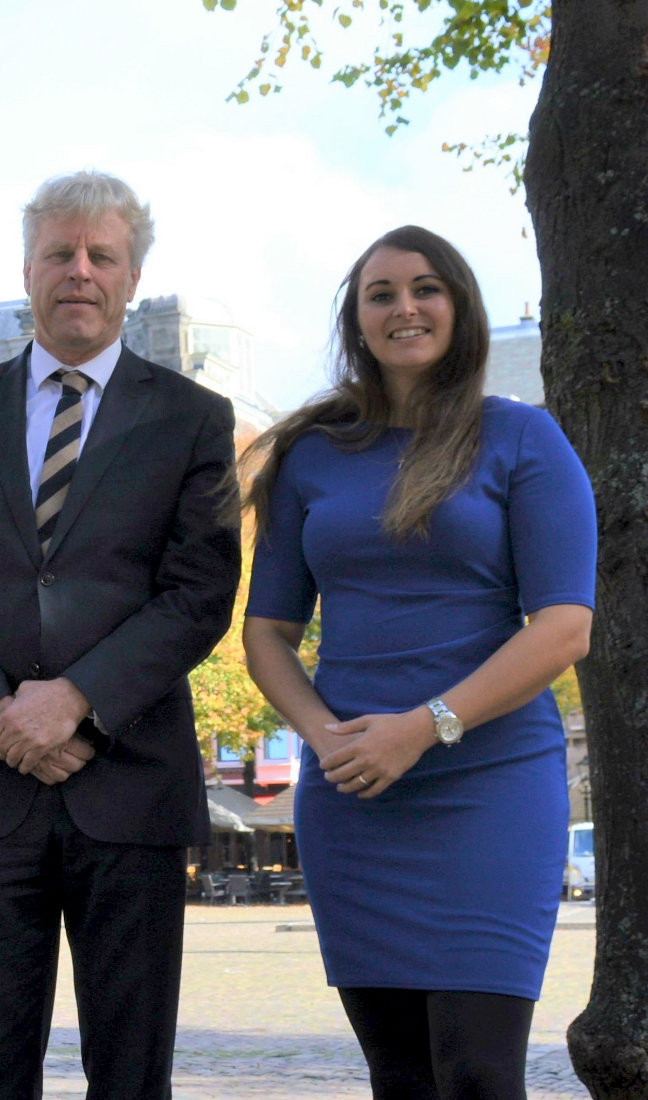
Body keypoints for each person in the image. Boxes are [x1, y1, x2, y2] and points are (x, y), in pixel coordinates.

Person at [0, 171, 240, 1099]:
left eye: (101, 255)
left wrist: (77, 700)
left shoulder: (194, 419)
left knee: (131, 1076)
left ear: (131, 279)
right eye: (59, 253)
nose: (79, 270)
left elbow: (201, 592)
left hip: (132, 787)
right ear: (27, 271)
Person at [241, 225, 594, 1099]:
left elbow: (563, 627)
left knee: (478, 1071)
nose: (405, 307)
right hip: (356, 794)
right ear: (357, 322)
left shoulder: (524, 438)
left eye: (426, 288)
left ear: (459, 307)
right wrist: (325, 736)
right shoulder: (310, 455)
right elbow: (267, 633)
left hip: (492, 784)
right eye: (382, 294)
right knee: (399, 1076)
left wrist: (425, 727)